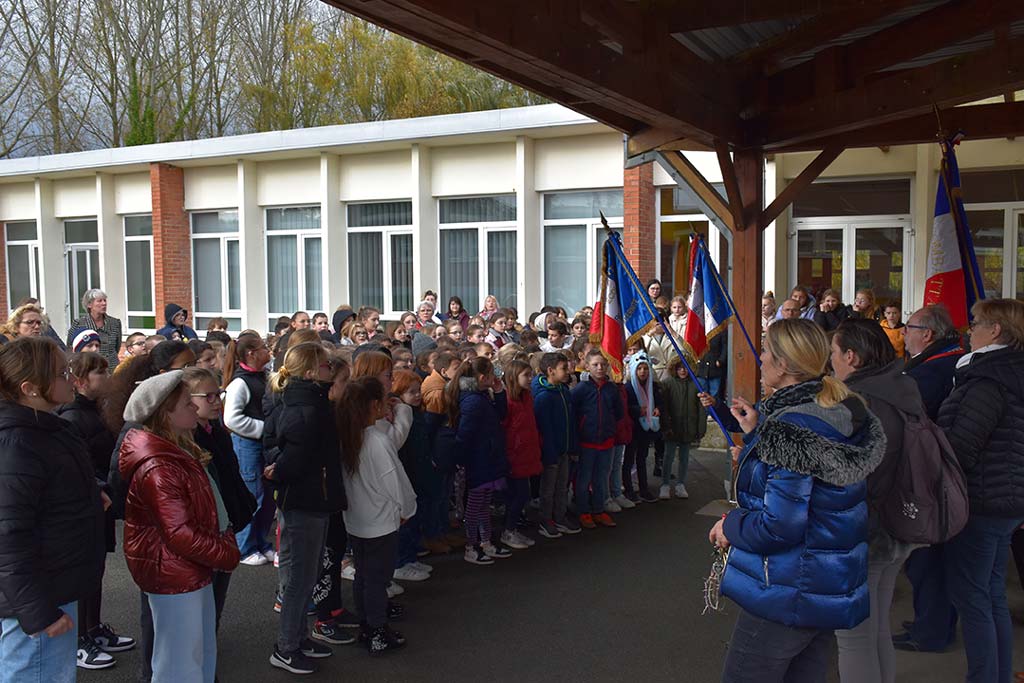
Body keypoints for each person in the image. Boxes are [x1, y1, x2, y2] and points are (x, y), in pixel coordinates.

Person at [709, 318, 885, 682]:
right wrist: (759, 434)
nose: (760, 359)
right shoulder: (835, 409)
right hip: (822, 584)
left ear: (784, 365)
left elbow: (780, 524)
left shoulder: (790, 429)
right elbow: (812, 481)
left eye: (766, 352)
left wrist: (730, 525)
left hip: (788, 589)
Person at [119, 371, 240, 683]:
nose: (196, 408)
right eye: (188, 403)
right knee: (179, 663)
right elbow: (179, 533)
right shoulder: (160, 465)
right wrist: (225, 554)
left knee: (196, 654)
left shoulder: (176, 452)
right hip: (173, 574)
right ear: (165, 414)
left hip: (184, 570)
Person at [0, 337, 105, 683]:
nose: (72, 379)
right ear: (29, 388)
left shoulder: (47, 428)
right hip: (37, 600)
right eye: (63, 373)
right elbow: (8, 538)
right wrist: (38, 612)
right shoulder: (18, 442)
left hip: (54, 586)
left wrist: (93, 494)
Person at [830, 319, 924, 683]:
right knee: (877, 628)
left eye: (834, 354)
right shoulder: (902, 385)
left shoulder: (858, 402)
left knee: (854, 638)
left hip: (868, 528)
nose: (831, 363)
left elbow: (848, 472)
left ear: (851, 356)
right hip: (900, 523)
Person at [936, 299, 1024, 683]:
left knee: (974, 599)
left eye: (974, 324)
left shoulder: (990, 379)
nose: (968, 331)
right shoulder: (1008, 373)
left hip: (983, 500)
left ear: (996, 331)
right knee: (991, 596)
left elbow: (963, 446)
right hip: (1006, 499)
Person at [261, 343, 347, 673]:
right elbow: (291, 453)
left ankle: (297, 636)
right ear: (311, 372)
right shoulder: (304, 406)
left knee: (307, 573)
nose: (330, 370)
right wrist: (279, 469)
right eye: (326, 366)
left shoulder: (312, 402)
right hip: (304, 500)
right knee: (299, 577)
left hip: (313, 496)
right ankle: (286, 646)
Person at [58, 352, 135, 670]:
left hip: (101, 501)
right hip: (87, 504)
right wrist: (101, 488)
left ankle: (93, 628)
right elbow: (81, 467)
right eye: (99, 372)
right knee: (83, 572)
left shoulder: (98, 411)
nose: (106, 376)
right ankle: (79, 641)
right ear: (79, 381)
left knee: (97, 568)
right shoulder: (72, 417)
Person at [895, 304, 964, 652]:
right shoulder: (942, 361)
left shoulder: (932, 372)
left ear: (928, 334)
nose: (904, 333)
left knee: (927, 560)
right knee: (930, 559)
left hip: (930, 476)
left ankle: (931, 632)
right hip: (936, 474)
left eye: (910, 326)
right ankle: (931, 622)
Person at [337, 376, 415, 656]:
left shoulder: (348, 436)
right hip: (380, 521)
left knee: (363, 576)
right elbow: (395, 481)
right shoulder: (377, 440)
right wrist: (406, 510)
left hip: (357, 519)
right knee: (377, 578)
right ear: (373, 405)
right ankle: (378, 630)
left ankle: (368, 626)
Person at [182, 368, 255, 640]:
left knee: (218, 592)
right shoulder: (188, 440)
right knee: (203, 593)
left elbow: (230, 476)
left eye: (218, 394)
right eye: (208, 396)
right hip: (206, 529)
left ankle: (209, 638)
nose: (217, 401)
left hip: (227, 522)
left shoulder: (218, 432)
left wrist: (242, 508)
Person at [445, 357, 512, 564]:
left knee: (484, 503)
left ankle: (485, 542)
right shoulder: (473, 401)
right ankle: (471, 545)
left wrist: (500, 392)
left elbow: (501, 414)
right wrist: (462, 459)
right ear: (483, 377)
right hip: (478, 460)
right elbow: (465, 435)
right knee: (475, 506)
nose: (496, 377)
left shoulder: (482, 395)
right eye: (493, 374)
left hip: (487, 458)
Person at [222, 333, 275, 566]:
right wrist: (264, 429)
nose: (268, 351)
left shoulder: (263, 377)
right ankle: (244, 547)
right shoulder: (240, 383)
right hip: (247, 446)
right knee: (253, 495)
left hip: (262, 446)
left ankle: (261, 541)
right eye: (264, 347)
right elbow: (232, 419)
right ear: (251, 354)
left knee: (267, 498)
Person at [571, 349, 623, 528]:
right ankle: (583, 511)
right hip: (586, 442)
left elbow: (618, 412)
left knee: (601, 478)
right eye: (595, 365)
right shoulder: (580, 389)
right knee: (584, 479)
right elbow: (574, 415)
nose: (600, 368)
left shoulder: (611, 389)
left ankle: (599, 510)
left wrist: (609, 429)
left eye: (603, 364)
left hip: (605, 442)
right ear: (587, 366)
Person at [532, 352, 580, 538]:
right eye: (563, 369)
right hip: (552, 452)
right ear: (550, 371)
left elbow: (571, 422)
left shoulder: (563, 391)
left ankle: (560, 517)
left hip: (565, 449)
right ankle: (546, 520)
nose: (568, 371)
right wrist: (549, 453)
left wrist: (573, 446)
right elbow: (545, 430)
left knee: (562, 486)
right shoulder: (543, 397)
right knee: (548, 488)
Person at [499, 359, 541, 549]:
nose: (530, 378)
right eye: (526, 375)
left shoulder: (527, 396)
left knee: (522, 495)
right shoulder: (507, 400)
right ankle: (508, 531)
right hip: (514, 455)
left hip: (526, 452)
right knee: (518, 495)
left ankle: (512, 528)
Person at [659, 354, 706, 499]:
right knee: (668, 456)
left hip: (688, 426)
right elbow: (664, 407)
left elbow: (701, 409)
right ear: (675, 369)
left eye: (686, 368)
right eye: (680, 368)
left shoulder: (696, 384)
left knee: (684, 457)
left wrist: (700, 428)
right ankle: (665, 484)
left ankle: (681, 484)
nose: (683, 371)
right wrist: (666, 426)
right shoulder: (667, 383)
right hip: (672, 426)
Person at [624, 352, 661, 504]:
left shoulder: (653, 386)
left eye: (646, 369)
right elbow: (624, 406)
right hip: (633, 428)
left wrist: (658, 408)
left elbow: (659, 401)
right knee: (629, 459)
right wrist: (637, 410)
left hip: (647, 428)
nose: (643, 372)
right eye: (639, 369)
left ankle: (644, 488)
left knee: (642, 458)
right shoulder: (628, 387)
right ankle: (628, 489)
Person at [66, 289, 123, 370]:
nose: (104, 303)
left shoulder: (115, 323)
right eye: (99, 301)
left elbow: (117, 347)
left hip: (111, 369)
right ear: (89, 304)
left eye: (105, 300)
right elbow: (71, 347)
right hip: (88, 369)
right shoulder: (79, 323)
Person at [696, 330, 727, 401]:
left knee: (714, 396)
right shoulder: (699, 326)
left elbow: (725, 347)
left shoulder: (720, 329)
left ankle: (713, 412)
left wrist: (721, 360)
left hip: (715, 369)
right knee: (702, 394)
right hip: (701, 369)